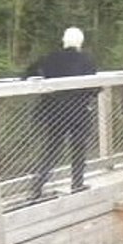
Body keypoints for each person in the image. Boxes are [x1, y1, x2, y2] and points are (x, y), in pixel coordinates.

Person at [23, 27, 100, 199]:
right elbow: (95, 87)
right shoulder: (86, 60)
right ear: (80, 42)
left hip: (54, 112)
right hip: (78, 112)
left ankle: (37, 186)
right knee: (79, 147)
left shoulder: (50, 58)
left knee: (51, 148)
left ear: (64, 40)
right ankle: (77, 183)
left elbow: (28, 73)